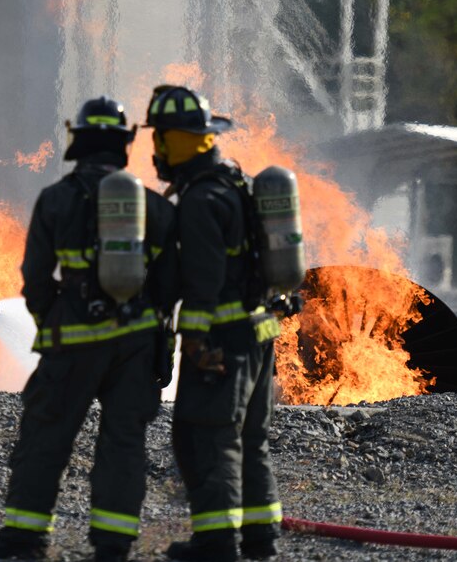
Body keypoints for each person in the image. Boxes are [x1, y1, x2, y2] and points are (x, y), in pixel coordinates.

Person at [0, 96, 178, 562]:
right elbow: (171, 287)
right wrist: (160, 346)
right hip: (136, 346)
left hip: (74, 342)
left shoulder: (56, 200)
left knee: (46, 436)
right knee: (123, 444)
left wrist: (55, 326)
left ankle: (24, 539)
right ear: (124, 144)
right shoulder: (155, 208)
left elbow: (35, 277)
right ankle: (113, 546)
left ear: (79, 141)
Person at [144, 85, 282, 562]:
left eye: (161, 137)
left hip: (224, 340)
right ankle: (261, 538)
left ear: (179, 139)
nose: (156, 148)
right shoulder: (234, 184)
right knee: (250, 437)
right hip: (260, 332)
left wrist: (197, 342)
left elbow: (202, 284)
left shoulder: (202, 200)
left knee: (207, 435)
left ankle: (217, 543)